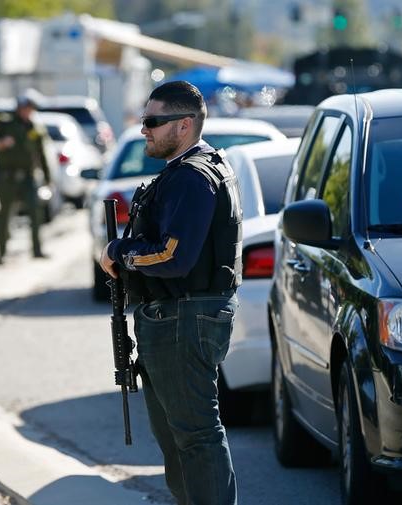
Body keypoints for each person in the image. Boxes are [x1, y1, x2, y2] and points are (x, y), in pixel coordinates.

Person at [99, 81, 242, 505]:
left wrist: (118, 252)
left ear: (183, 125)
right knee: (180, 440)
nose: (144, 129)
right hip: (179, 316)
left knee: (196, 437)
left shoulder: (192, 177)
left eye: (152, 122)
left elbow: (172, 256)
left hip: (183, 318)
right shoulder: (193, 169)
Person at [0, 90, 52, 264]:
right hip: (7, 177)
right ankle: (1, 253)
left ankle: (37, 250)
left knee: (35, 212)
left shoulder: (34, 128)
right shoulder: (5, 123)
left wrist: (47, 178)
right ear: (19, 108)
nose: (28, 111)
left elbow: (41, 155)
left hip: (28, 177)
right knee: (4, 215)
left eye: (30, 109)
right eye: (26, 108)